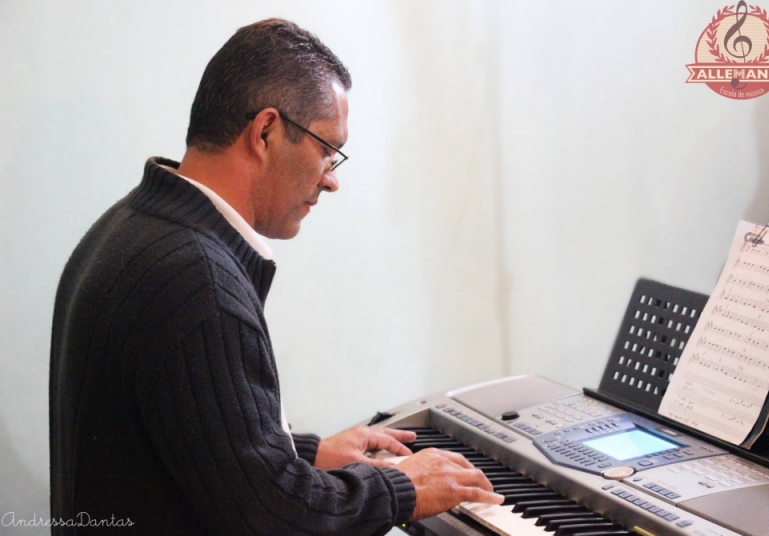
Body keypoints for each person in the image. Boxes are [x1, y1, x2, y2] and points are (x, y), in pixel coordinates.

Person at [49, 18, 502, 535]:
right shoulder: (199, 281)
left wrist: (309, 453)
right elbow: (271, 517)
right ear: (264, 132)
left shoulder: (126, 226)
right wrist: (403, 488)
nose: (331, 180)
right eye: (327, 150)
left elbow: (185, 438)